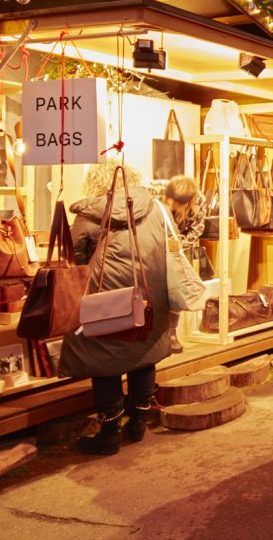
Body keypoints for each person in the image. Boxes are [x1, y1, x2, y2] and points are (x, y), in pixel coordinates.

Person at [61, 163, 170, 456]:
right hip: (149, 292)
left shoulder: (88, 216)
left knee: (104, 360)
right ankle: (138, 421)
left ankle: (109, 433)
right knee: (142, 353)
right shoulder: (152, 209)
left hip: (105, 299)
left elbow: (74, 258)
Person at [161, 176, 206, 354]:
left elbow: (197, 228)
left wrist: (178, 247)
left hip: (180, 246)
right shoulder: (157, 190)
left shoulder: (199, 201)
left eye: (177, 203)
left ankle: (172, 333)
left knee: (177, 288)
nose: (172, 206)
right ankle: (159, 334)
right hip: (156, 243)